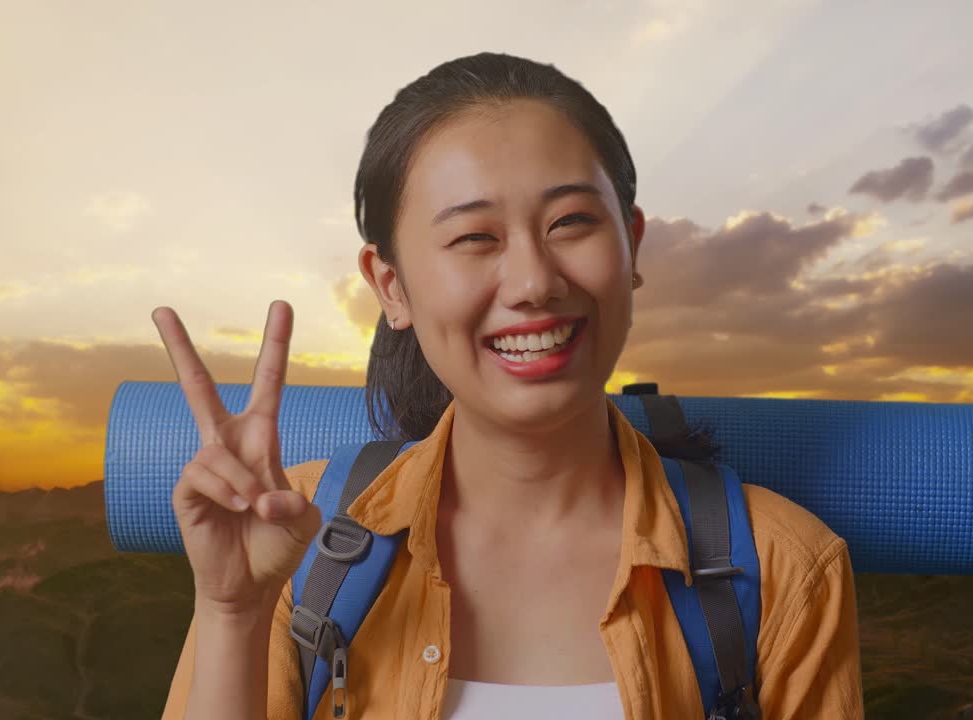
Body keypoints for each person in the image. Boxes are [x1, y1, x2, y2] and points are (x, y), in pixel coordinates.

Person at [156, 52, 863, 719]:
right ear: (391, 286)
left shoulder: (784, 568)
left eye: (572, 223)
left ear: (633, 244)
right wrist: (232, 614)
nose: (533, 283)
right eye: (475, 238)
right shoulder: (294, 544)